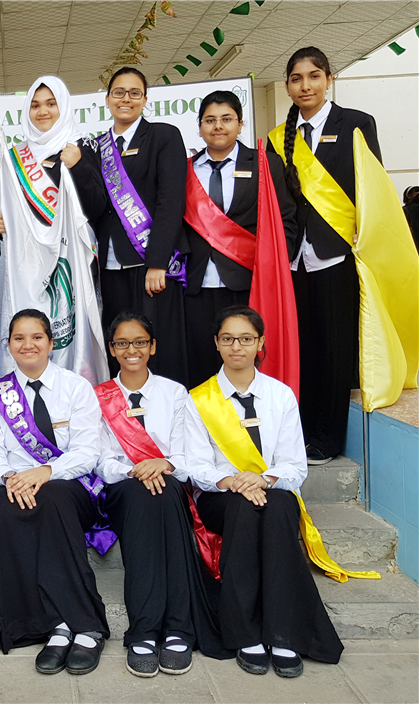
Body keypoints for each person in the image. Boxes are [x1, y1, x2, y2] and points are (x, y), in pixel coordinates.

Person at [186, 305, 343, 677]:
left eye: (245, 338)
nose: (236, 346)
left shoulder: (280, 395)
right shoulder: (198, 399)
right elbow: (195, 466)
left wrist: (263, 479)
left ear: (260, 343)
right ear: (216, 343)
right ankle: (245, 634)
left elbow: (295, 466)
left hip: (272, 489)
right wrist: (233, 482)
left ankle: (282, 634)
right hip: (220, 495)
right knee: (243, 510)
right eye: (228, 338)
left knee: (276, 511)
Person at [94, 312, 228, 678]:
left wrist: (163, 464)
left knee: (163, 492)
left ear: (152, 347)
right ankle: (150, 627)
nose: (132, 350)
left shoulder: (175, 393)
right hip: (121, 489)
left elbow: (187, 455)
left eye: (140, 342)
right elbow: (100, 460)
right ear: (112, 349)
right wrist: (136, 470)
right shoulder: (98, 397)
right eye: (123, 343)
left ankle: (172, 628)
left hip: (169, 486)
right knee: (147, 494)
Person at [0, 309, 114, 676]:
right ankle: (48, 625)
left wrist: (46, 472)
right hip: (15, 482)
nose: (28, 345)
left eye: (37, 337)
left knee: (52, 498)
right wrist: (10, 477)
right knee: (4, 503)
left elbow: (87, 453)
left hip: (71, 484)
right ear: (9, 345)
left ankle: (85, 625)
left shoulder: (76, 387)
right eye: (19, 338)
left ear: (51, 343)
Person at [266, 46, 380, 465]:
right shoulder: (278, 137)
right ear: (287, 86)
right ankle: (305, 430)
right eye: (296, 79)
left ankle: (329, 438)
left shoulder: (356, 123)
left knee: (335, 350)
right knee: (306, 349)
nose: (305, 86)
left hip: (337, 253)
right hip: (295, 258)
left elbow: (372, 188)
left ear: (329, 79)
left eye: (314, 76)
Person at [0, 76, 110, 384]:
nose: (42, 111)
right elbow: (8, 205)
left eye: (50, 103)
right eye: (35, 105)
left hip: (73, 258)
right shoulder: (16, 156)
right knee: (32, 327)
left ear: (64, 106)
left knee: (72, 332)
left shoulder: (82, 146)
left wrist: (78, 166)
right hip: (29, 265)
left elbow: (97, 208)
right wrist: (0, 219)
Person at [184, 91, 297, 388]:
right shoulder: (185, 169)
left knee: (246, 361)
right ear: (200, 127)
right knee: (201, 362)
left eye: (226, 119)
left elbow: (286, 219)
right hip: (196, 285)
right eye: (210, 120)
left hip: (248, 282)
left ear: (240, 124)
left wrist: (275, 266)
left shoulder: (264, 163)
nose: (218, 126)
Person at [88, 67, 189, 385]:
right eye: (119, 92)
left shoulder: (163, 136)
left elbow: (170, 202)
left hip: (151, 265)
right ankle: (121, 410)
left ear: (145, 99)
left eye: (134, 93)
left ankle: (167, 410)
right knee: (118, 343)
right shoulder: (96, 147)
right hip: (110, 266)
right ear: (107, 99)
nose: (126, 99)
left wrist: (158, 262)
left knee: (157, 344)